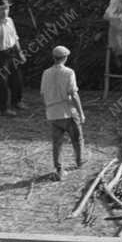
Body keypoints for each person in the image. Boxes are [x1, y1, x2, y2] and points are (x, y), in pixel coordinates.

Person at [40, 45, 85, 181]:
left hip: (53, 114)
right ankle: (79, 162)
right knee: (77, 139)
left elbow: (42, 94)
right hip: (67, 113)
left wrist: (48, 108)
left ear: (54, 58)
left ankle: (59, 169)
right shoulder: (69, 72)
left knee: (57, 143)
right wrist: (80, 112)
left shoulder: (46, 73)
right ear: (65, 58)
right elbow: (74, 94)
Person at [0, 0, 26, 116]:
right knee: (2, 82)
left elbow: (16, 38)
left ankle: (17, 102)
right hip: (0, 55)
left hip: (12, 52)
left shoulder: (10, 21)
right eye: (2, 9)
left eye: (6, 8)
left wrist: (20, 53)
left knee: (17, 79)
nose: (4, 11)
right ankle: (4, 109)